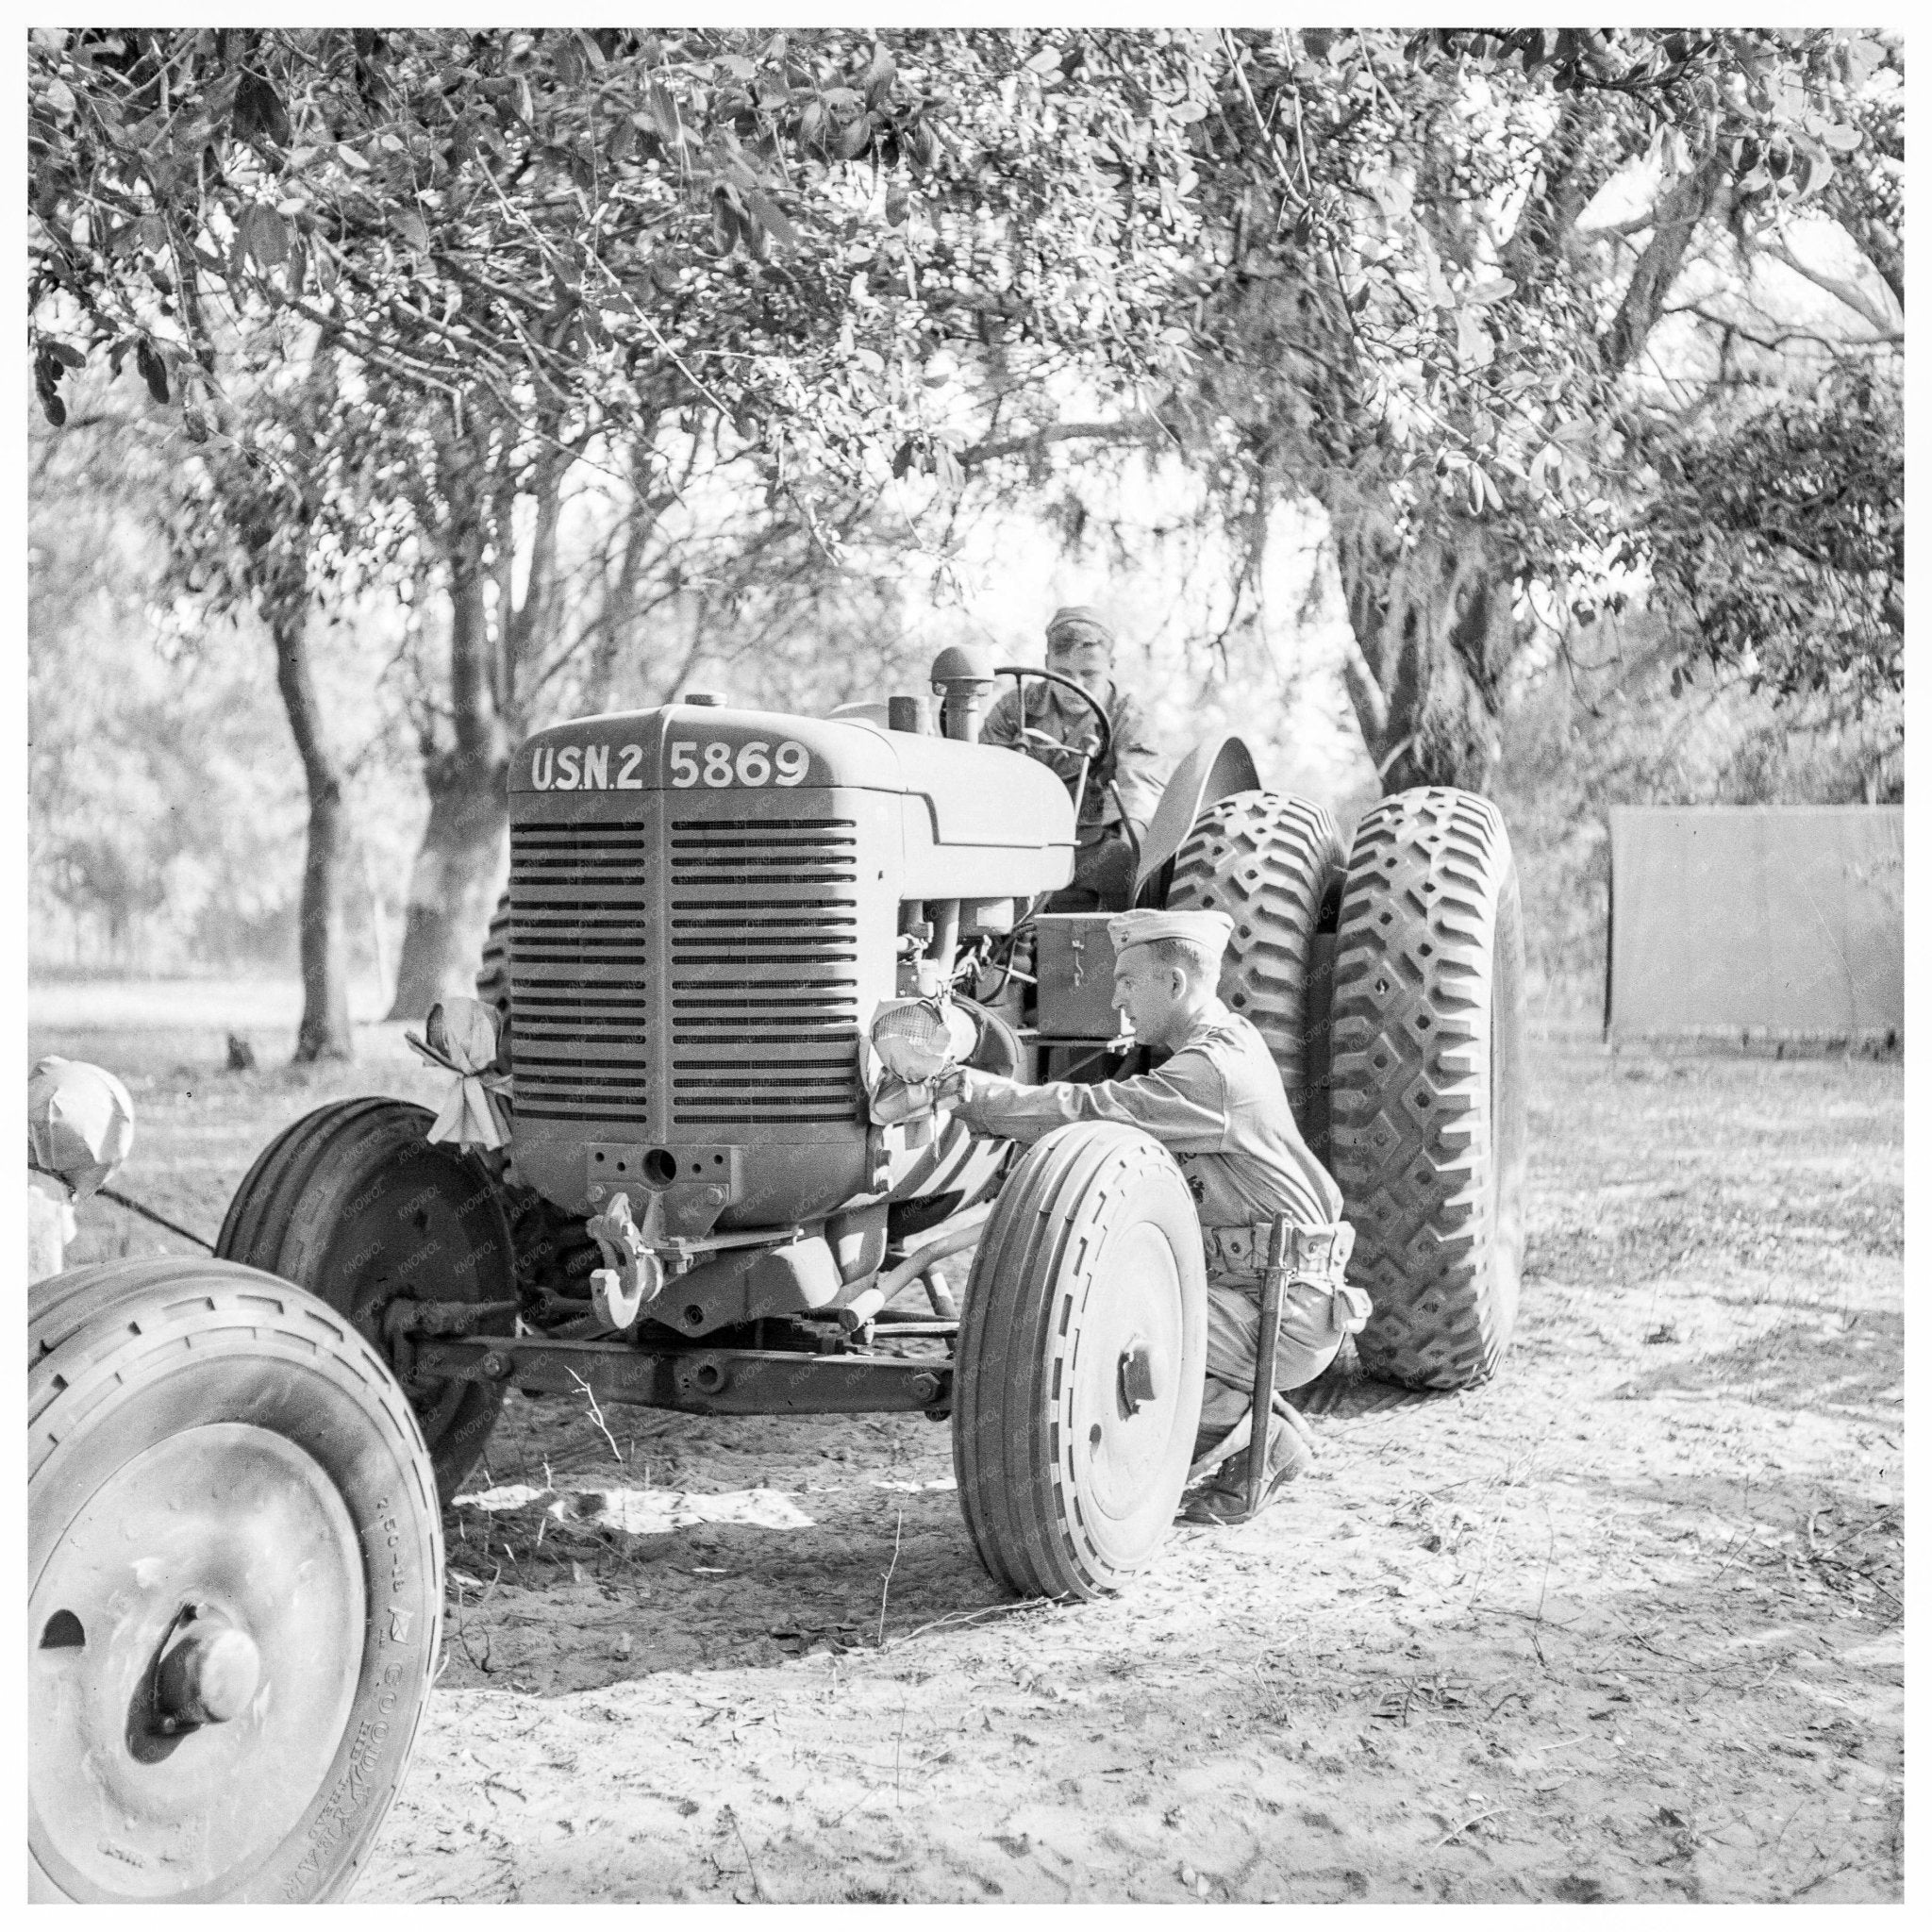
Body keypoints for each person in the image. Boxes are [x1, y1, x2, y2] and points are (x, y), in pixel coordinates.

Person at [938, 908, 1368, 1524]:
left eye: (1129, 981)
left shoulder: (1213, 1072)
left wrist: (969, 1093)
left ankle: (1261, 1435)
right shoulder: (1216, 1049)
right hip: (1254, 1293)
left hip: (1284, 1310)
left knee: (1088, 1331)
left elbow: (1097, 1108)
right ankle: (1255, 1428)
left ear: (1173, 985)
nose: (1115, 996)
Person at [981, 605, 1163, 913]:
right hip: (1022, 843)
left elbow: (1139, 794)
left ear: (1111, 666)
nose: (1075, 687)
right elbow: (985, 780)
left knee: (1123, 864)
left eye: (1088, 674)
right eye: (1062, 674)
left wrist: (1133, 860)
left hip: (1094, 849)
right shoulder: (1014, 708)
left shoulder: (1128, 716)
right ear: (1046, 664)